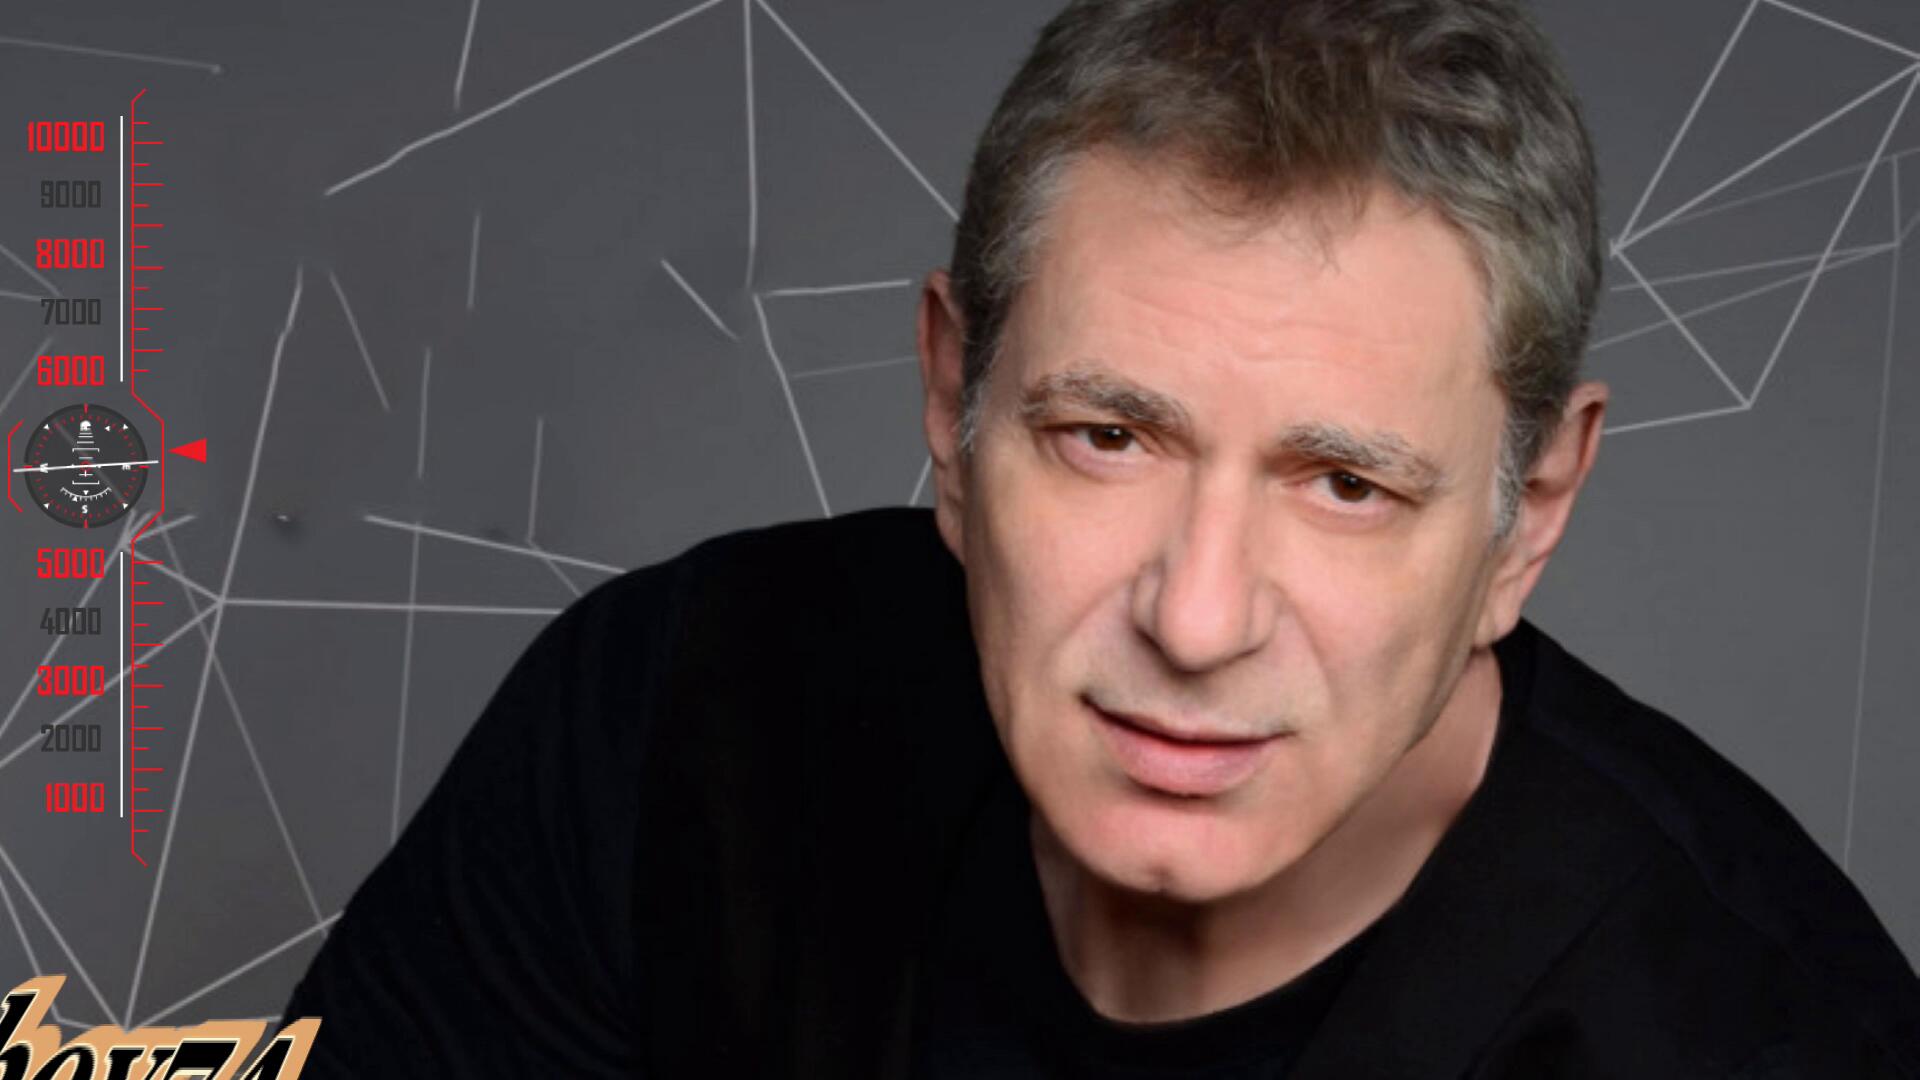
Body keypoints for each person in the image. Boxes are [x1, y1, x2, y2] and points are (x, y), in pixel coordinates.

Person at [282, 0, 1920, 1075]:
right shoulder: (669, 725)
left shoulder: (1759, 1040)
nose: (1196, 622)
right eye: (1108, 438)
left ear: (1524, 519)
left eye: (1344, 485)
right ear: (953, 400)